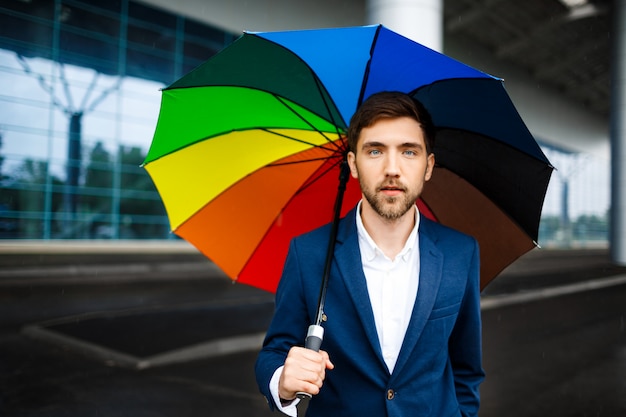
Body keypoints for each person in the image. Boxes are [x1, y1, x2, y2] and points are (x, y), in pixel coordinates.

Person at [255, 91, 484, 417]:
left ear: (428, 166)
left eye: (409, 151)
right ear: (353, 163)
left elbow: (466, 368)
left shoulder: (461, 252)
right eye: (375, 151)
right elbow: (274, 351)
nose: (392, 168)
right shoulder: (309, 252)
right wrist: (282, 379)